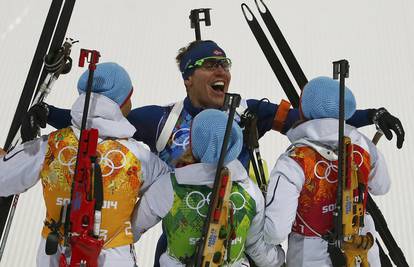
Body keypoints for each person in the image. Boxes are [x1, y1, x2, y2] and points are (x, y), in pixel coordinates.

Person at [24, 40, 404, 266]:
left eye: (225, 64)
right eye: (211, 64)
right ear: (188, 75)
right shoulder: (158, 120)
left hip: (238, 228)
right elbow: (99, 119)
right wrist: (51, 116)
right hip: (180, 232)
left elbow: (320, 116)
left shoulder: (248, 111)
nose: (222, 70)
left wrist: (371, 115)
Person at [0, 62, 169, 267]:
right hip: (115, 257)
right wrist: (129, 227)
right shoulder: (138, 157)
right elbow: (168, 190)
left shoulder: (51, 146)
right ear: (124, 102)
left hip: (54, 256)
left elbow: (3, 178)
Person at [263, 76, 391, 266]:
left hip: (309, 256)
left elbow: (275, 231)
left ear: (303, 113)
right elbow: (382, 186)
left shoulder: (294, 160)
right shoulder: (363, 146)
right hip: (361, 251)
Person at [132, 109, 285, 267]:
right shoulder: (250, 193)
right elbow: (256, 247)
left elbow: (132, 229)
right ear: (235, 144)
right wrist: (279, 261)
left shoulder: (169, 186)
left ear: (193, 142)